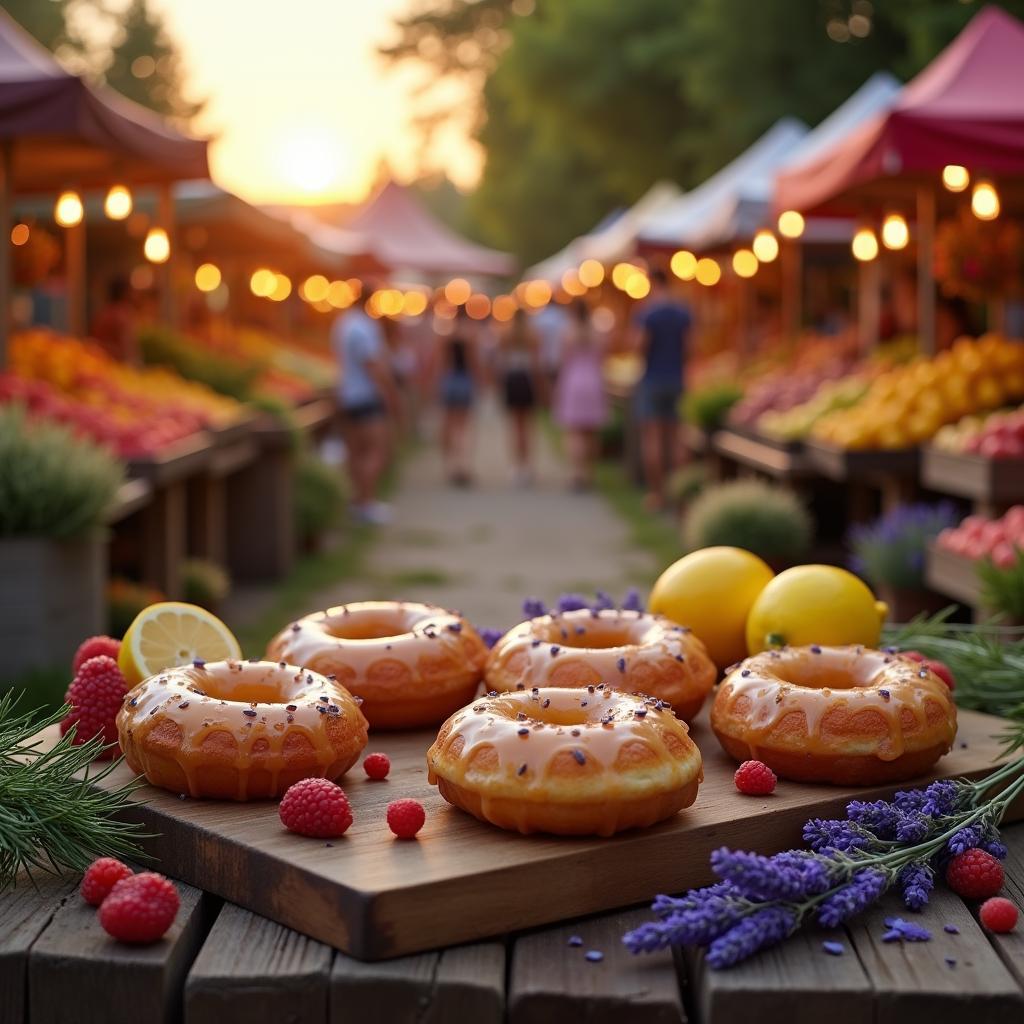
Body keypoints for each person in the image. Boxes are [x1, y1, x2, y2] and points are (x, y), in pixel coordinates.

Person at [332, 294, 400, 525]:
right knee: (375, 451)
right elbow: (373, 364)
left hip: (347, 394)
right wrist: (390, 394)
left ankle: (357, 501)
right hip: (367, 396)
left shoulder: (342, 323)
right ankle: (366, 502)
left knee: (355, 453)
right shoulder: (364, 327)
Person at [631, 268, 692, 510]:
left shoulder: (647, 313)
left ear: (652, 282)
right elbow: (691, 346)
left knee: (653, 439)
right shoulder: (683, 311)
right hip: (677, 379)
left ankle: (656, 494)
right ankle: (679, 495)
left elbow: (639, 346)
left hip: (652, 380)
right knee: (677, 439)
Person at [554, 299, 607, 489]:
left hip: (573, 381)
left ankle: (577, 473)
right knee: (591, 431)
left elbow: (563, 359)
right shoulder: (597, 333)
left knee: (574, 431)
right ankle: (590, 472)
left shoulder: (568, 332)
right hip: (593, 381)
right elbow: (602, 358)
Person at [496, 308, 543, 484]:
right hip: (526, 379)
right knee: (527, 426)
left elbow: (501, 361)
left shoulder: (506, 334)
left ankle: (516, 465)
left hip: (512, 378)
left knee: (514, 426)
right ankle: (527, 465)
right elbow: (536, 364)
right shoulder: (532, 336)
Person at [436, 306, 479, 486]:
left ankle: (452, 465)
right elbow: (472, 361)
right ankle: (462, 465)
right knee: (463, 426)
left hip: (449, 380)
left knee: (450, 424)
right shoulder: (469, 335)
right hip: (464, 380)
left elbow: (442, 361)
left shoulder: (446, 334)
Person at [90, 276, 139, 364]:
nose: (134, 294)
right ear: (125, 292)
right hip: (115, 364)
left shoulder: (104, 313)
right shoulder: (120, 315)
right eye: (131, 290)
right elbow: (127, 348)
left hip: (102, 363)